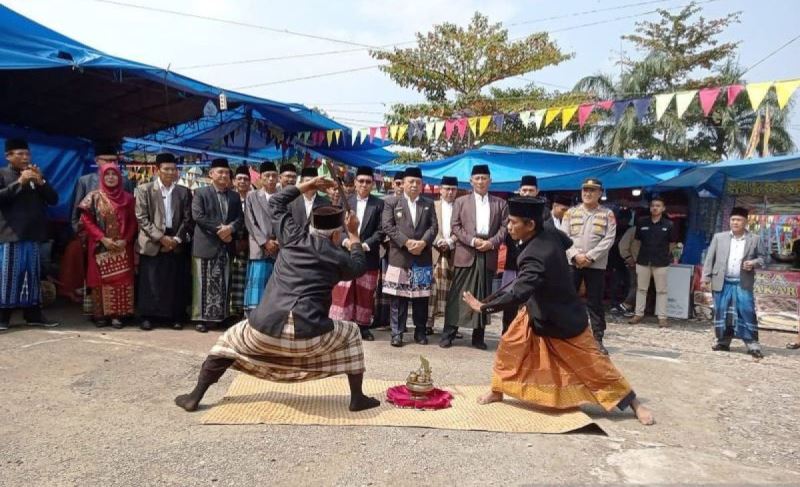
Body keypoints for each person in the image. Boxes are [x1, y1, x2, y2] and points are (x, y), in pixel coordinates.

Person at [174, 176, 380, 413]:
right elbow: (359, 265)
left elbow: (276, 203)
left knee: (226, 342)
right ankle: (357, 398)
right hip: (309, 337)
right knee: (353, 332)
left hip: (263, 330)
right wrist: (353, 235)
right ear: (336, 236)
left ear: (311, 226)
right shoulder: (339, 258)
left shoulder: (291, 236)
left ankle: (195, 396)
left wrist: (307, 185)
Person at [462, 196, 655, 426]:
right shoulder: (550, 232)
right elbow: (564, 241)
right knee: (509, 348)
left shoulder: (535, 255)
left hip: (564, 318)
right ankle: (498, 390)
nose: (509, 227)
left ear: (530, 225)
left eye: (513, 223)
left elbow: (519, 293)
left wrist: (484, 307)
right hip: (537, 311)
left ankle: (634, 404)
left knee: (595, 365)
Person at [441, 164, 508, 350]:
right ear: (471, 181)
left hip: (488, 253)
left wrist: (492, 243)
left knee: (484, 296)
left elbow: (504, 228)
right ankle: (449, 334)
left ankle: (478, 338)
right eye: (477, 178)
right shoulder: (461, 202)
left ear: (490, 181)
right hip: (467, 252)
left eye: (484, 178)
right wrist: (472, 241)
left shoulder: (500, 204)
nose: (480, 181)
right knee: (458, 295)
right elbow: (455, 227)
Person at [0, 138, 59, 330]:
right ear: (8, 156)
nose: (25, 157)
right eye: (20, 154)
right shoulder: (2, 174)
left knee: (31, 277)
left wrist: (40, 181)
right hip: (11, 235)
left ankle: (33, 315)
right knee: (8, 277)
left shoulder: (35, 175)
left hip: (33, 236)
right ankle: (3, 317)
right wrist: (19, 182)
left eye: (27, 154)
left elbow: (53, 199)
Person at [134, 153, 192, 331]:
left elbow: (187, 218)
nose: (170, 172)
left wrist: (176, 239)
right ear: (157, 170)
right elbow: (142, 218)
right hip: (153, 241)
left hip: (175, 241)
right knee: (150, 281)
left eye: (173, 169)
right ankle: (148, 317)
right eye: (166, 169)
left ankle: (175, 317)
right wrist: (161, 238)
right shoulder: (145, 189)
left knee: (174, 281)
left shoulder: (183, 191)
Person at [381, 167, 438, 347]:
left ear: (422, 185)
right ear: (403, 183)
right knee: (398, 298)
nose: (414, 185)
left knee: (421, 298)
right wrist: (406, 243)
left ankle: (420, 332)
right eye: (411, 182)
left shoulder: (428, 204)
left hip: (422, 256)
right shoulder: (392, 202)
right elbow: (388, 227)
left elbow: (433, 228)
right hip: (400, 256)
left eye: (418, 182)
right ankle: (397, 333)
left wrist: (422, 243)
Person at [78, 163, 137, 328]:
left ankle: (118, 315)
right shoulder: (93, 196)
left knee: (121, 281)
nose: (111, 177)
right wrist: (102, 238)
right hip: (99, 246)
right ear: (102, 177)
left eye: (114, 174)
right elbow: (86, 221)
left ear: (119, 177)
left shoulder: (128, 198)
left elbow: (133, 222)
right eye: (107, 174)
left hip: (122, 247)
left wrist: (125, 240)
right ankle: (100, 315)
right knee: (98, 281)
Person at [701, 207, 765, 359]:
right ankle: (723, 341)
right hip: (722, 281)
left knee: (747, 311)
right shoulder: (719, 237)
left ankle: (752, 344)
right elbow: (710, 258)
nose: (735, 222)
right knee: (721, 311)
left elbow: (763, 259)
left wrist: (754, 262)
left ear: (746, 222)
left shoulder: (754, 239)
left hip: (742, 282)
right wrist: (705, 277)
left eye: (739, 220)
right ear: (729, 221)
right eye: (733, 220)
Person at [330, 167, 384, 341]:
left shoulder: (379, 204)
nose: (364, 185)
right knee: (343, 292)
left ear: (373, 184)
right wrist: (347, 241)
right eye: (361, 181)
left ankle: (363, 326)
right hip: (345, 253)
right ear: (354, 182)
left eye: (368, 182)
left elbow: (381, 231)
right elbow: (336, 226)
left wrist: (365, 245)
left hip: (368, 255)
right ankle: (341, 326)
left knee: (364, 293)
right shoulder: (344, 201)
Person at [190, 158, 244, 333]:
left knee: (223, 282)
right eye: (220, 172)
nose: (223, 175)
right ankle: (201, 318)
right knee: (202, 283)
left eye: (227, 172)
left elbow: (240, 218)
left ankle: (221, 317)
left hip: (226, 246)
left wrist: (230, 229)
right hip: (206, 243)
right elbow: (198, 216)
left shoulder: (234, 196)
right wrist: (220, 229)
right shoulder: (201, 193)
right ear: (211, 174)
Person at [563, 178, 616, 355]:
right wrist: (575, 255)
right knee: (568, 300)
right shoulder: (571, 213)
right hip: (573, 263)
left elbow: (609, 239)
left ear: (600, 193)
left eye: (592, 190)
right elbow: (564, 236)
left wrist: (590, 257)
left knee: (595, 303)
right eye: (585, 190)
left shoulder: (607, 214)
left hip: (596, 265)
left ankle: (597, 339)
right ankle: (566, 336)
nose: (588, 193)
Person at [500, 175, 538, 334]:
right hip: (513, 263)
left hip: (533, 267)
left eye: (531, 190)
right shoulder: (511, 208)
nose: (527, 193)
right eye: (524, 190)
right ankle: (506, 335)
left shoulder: (543, 212)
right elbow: (506, 232)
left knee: (532, 304)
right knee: (510, 303)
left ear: (537, 191)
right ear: (519, 191)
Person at [629, 196, 675, 327]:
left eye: (658, 206)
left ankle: (662, 317)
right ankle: (638, 314)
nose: (655, 208)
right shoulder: (642, 222)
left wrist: (665, 255)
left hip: (661, 261)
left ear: (663, 208)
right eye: (653, 205)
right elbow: (637, 241)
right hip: (643, 260)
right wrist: (636, 256)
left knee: (662, 290)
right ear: (650, 208)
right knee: (641, 289)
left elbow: (672, 243)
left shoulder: (669, 224)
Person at [243, 161, 280, 314]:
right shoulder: (252, 196)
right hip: (259, 246)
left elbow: (288, 221)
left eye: (273, 176)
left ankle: (272, 315)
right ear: (261, 178)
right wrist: (264, 242)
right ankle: (254, 315)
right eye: (267, 176)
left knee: (276, 283)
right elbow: (250, 222)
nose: (271, 179)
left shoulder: (283, 197)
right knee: (257, 284)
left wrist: (278, 241)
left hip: (278, 247)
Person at [427, 176, 459, 335]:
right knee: (432, 289)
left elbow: (464, 228)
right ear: (440, 189)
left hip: (454, 252)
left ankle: (452, 326)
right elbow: (428, 226)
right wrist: (439, 241)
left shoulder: (461, 206)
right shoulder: (433, 205)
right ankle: (428, 324)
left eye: (453, 189)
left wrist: (451, 241)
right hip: (435, 251)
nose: (450, 192)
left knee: (453, 291)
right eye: (447, 189)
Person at [228, 165, 252, 318]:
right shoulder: (229, 198)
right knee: (230, 277)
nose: (243, 181)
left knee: (245, 278)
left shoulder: (253, 198)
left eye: (246, 179)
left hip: (249, 244)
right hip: (229, 242)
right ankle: (230, 312)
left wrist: (246, 241)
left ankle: (242, 311)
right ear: (234, 181)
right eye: (240, 179)